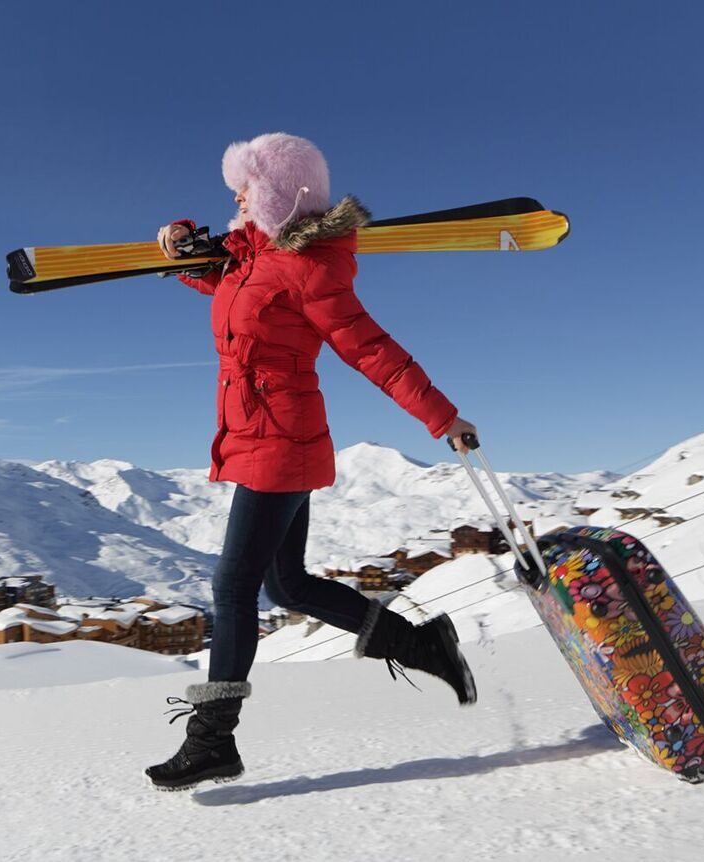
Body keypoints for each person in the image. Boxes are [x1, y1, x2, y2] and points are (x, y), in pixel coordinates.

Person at [144, 132, 479, 792]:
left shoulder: (311, 268)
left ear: (276, 193)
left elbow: (373, 350)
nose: (235, 195)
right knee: (285, 586)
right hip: (259, 436)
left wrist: (442, 416)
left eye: (246, 184)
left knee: (232, 587)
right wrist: (180, 246)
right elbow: (223, 286)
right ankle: (421, 645)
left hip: (282, 441)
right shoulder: (250, 260)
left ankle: (213, 739)